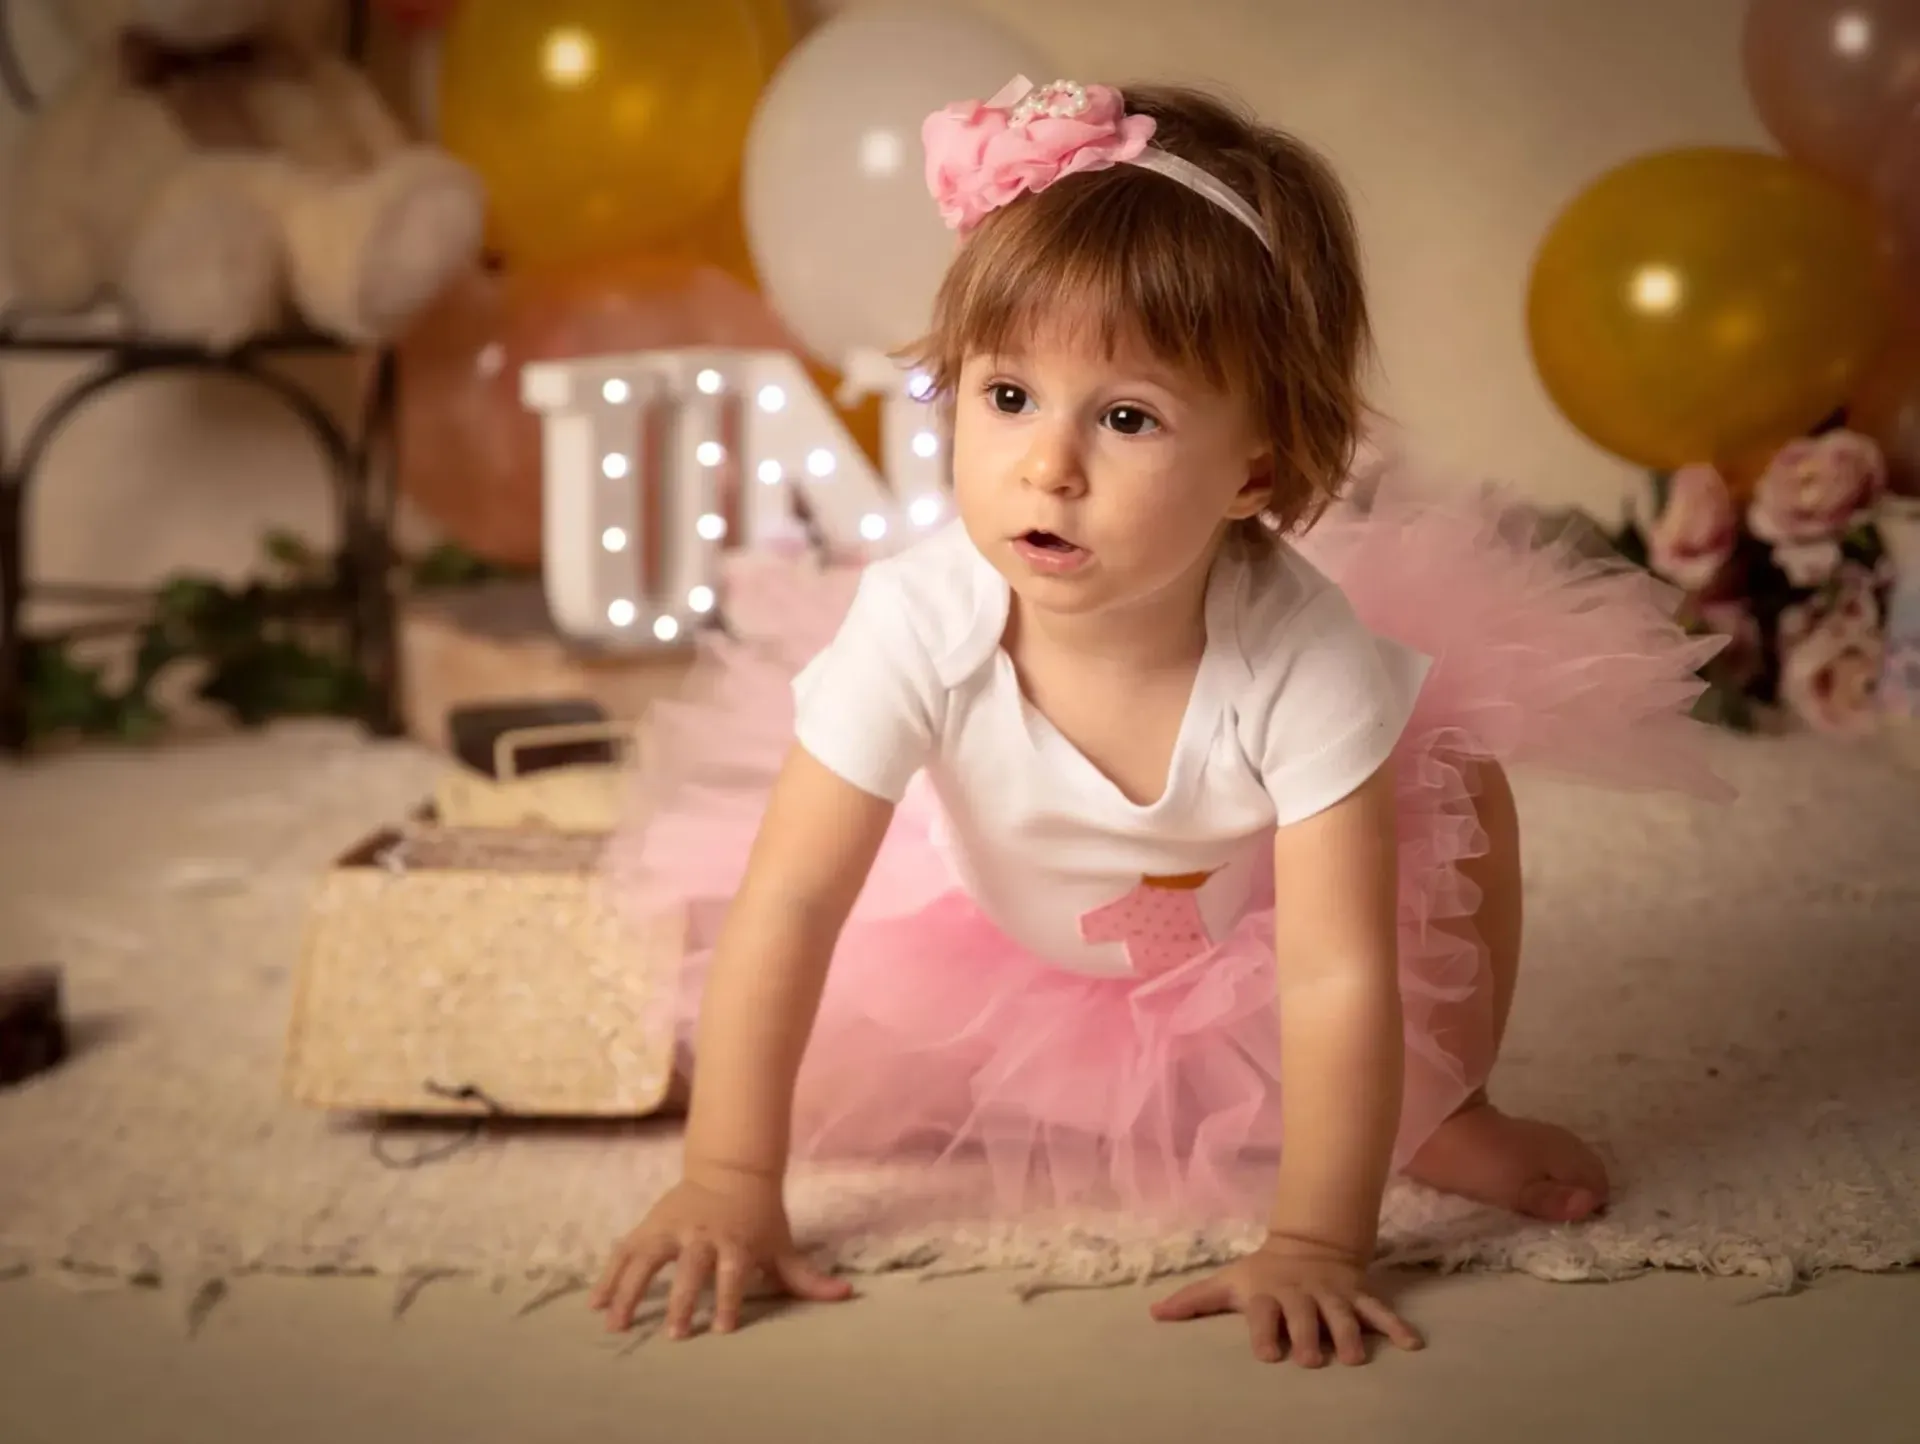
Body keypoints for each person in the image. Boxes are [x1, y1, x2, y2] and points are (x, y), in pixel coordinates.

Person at [589, 76, 1731, 1364]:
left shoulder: (1305, 659)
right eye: (1006, 396)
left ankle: (1448, 1108)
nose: (1048, 466)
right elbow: (792, 902)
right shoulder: (916, 622)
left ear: (1253, 470)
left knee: (1458, 783)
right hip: (990, 926)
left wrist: (1316, 1240)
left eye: (1126, 418)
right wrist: (733, 1175)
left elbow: (1339, 967)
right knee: (801, 1000)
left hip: (1248, 917)